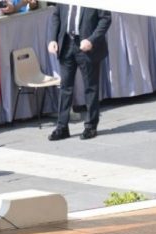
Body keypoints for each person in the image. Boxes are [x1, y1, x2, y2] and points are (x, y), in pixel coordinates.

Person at [47, 4, 111, 141]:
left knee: (90, 87)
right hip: (66, 45)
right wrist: (53, 39)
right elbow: (56, 15)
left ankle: (90, 126)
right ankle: (62, 127)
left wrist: (92, 40)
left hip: (88, 47)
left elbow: (105, 18)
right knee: (65, 87)